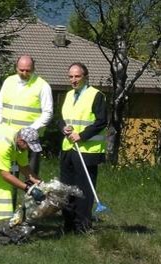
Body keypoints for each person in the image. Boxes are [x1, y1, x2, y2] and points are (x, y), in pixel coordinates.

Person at [58, 62, 108, 235]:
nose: (73, 80)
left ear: (85, 77)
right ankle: (68, 224)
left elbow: (101, 121)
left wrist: (82, 135)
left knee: (84, 190)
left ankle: (83, 226)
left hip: (87, 151)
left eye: (77, 76)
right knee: (66, 188)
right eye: (71, 76)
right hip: (68, 148)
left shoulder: (96, 95)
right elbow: (61, 119)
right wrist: (63, 128)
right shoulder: (68, 95)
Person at [0, 55, 53, 174]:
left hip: (29, 140)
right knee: (9, 173)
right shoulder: (8, 81)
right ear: (16, 68)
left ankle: (31, 192)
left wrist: (29, 130)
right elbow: (0, 107)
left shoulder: (42, 85)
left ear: (34, 69)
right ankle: (11, 193)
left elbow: (48, 113)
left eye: (28, 70)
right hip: (8, 136)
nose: (24, 73)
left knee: (30, 175)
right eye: (21, 70)